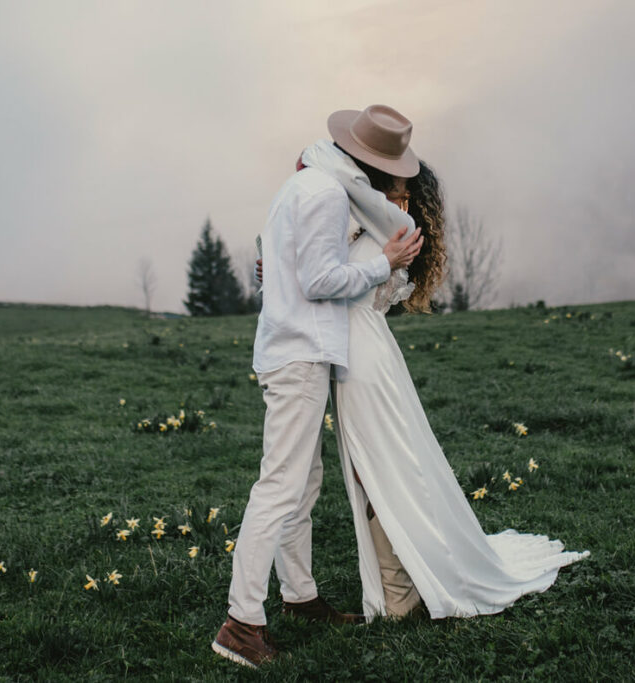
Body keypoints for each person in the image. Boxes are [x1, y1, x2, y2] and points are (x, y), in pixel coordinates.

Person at [297, 117, 591, 623]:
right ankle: (399, 584)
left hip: (364, 358)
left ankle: (401, 588)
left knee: (379, 467)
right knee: (380, 467)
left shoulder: (383, 221)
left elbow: (316, 162)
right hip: (363, 354)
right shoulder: (365, 208)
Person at [212, 105, 424, 669]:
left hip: (286, 348)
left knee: (303, 483)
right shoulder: (327, 195)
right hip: (301, 353)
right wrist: (384, 261)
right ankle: (241, 623)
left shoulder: (298, 185)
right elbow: (320, 280)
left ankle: (299, 596)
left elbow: (276, 268)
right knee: (281, 486)